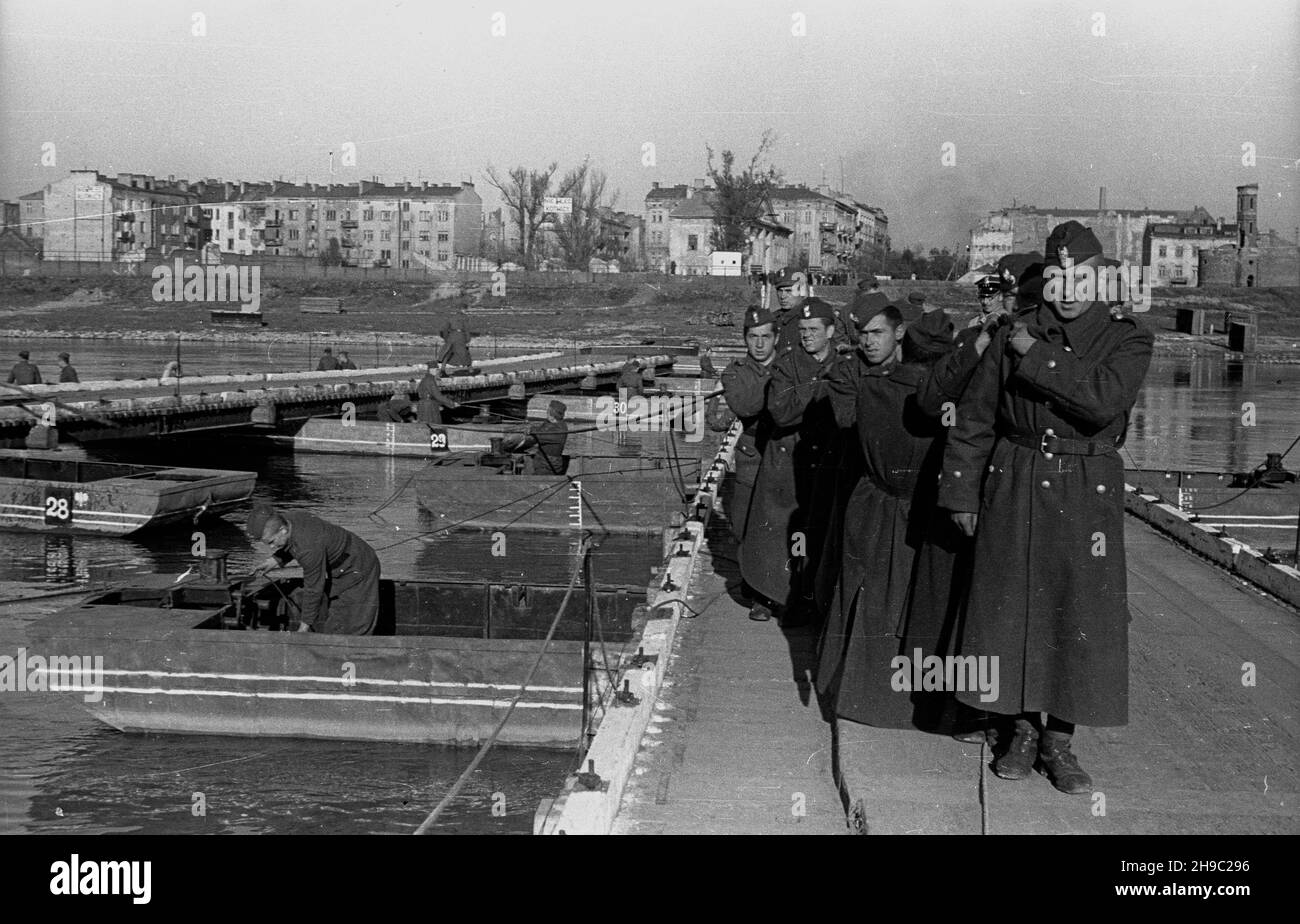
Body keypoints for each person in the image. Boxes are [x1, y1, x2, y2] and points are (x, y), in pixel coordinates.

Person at [938, 220, 1154, 794]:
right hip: (1017, 478)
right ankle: (1017, 731)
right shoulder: (1015, 329)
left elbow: (1102, 401)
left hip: (1086, 488)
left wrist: (1035, 356)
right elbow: (977, 417)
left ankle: (1059, 741)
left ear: (1100, 277)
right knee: (1008, 609)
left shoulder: (1127, 336)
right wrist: (961, 491)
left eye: (1078, 275)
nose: (1066, 287)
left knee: (1077, 612)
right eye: (1056, 276)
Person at [757, 297, 849, 627]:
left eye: (813, 329)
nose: (807, 335)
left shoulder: (846, 364)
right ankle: (787, 597)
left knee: (822, 533)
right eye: (803, 329)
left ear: (831, 331)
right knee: (792, 533)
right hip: (793, 464)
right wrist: (821, 387)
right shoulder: (788, 363)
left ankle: (813, 599)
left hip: (828, 462)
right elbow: (781, 410)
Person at [717, 307, 777, 618]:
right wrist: (778, 379)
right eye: (753, 337)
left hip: (785, 461)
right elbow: (744, 404)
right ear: (745, 339)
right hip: (752, 460)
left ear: (776, 338)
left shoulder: (791, 366)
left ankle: (767, 598)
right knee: (745, 528)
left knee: (780, 530)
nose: (759, 344)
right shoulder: (735, 372)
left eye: (766, 337)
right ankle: (756, 587)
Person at [247, 506, 381, 635]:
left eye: (272, 542)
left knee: (351, 627)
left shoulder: (309, 548)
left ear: (282, 530)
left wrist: (304, 625)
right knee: (335, 620)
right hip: (342, 567)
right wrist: (275, 560)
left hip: (359, 567)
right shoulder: (288, 519)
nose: (271, 547)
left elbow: (314, 587)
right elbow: (294, 543)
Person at [507, 399, 570, 474]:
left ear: (553, 414)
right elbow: (540, 430)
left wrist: (531, 431)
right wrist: (531, 429)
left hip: (549, 463)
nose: (547, 413)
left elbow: (543, 435)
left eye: (549, 411)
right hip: (540, 458)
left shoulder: (560, 429)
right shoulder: (549, 422)